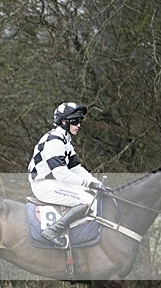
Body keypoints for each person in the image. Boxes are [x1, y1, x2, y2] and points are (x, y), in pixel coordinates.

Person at [27, 102, 112, 248]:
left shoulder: (65, 140)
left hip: (54, 182)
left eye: (79, 121)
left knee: (93, 196)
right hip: (44, 185)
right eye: (75, 121)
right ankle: (52, 231)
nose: (79, 125)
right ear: (64, 122)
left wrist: (97, 184)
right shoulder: (54, 141)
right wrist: (88, 184)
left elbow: (76, 169)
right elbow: (61, 174)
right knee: (87, 201)